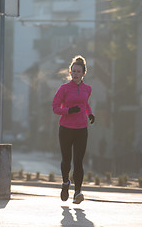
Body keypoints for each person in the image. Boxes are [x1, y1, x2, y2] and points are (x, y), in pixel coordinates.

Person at [52, 55, 95, 204]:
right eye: (74, 71)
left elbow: (86, 104)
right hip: (66, 128)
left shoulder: (87, 89)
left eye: (79, 71)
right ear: (70, 73)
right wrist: (69, 110)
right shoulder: (64, 89)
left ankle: (78, 192)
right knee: (66, 160)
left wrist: (90, 114)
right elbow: (55, 108)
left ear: (84, 73)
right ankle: (65, 183)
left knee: (78, 161)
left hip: (81, 129)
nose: (76, 74)